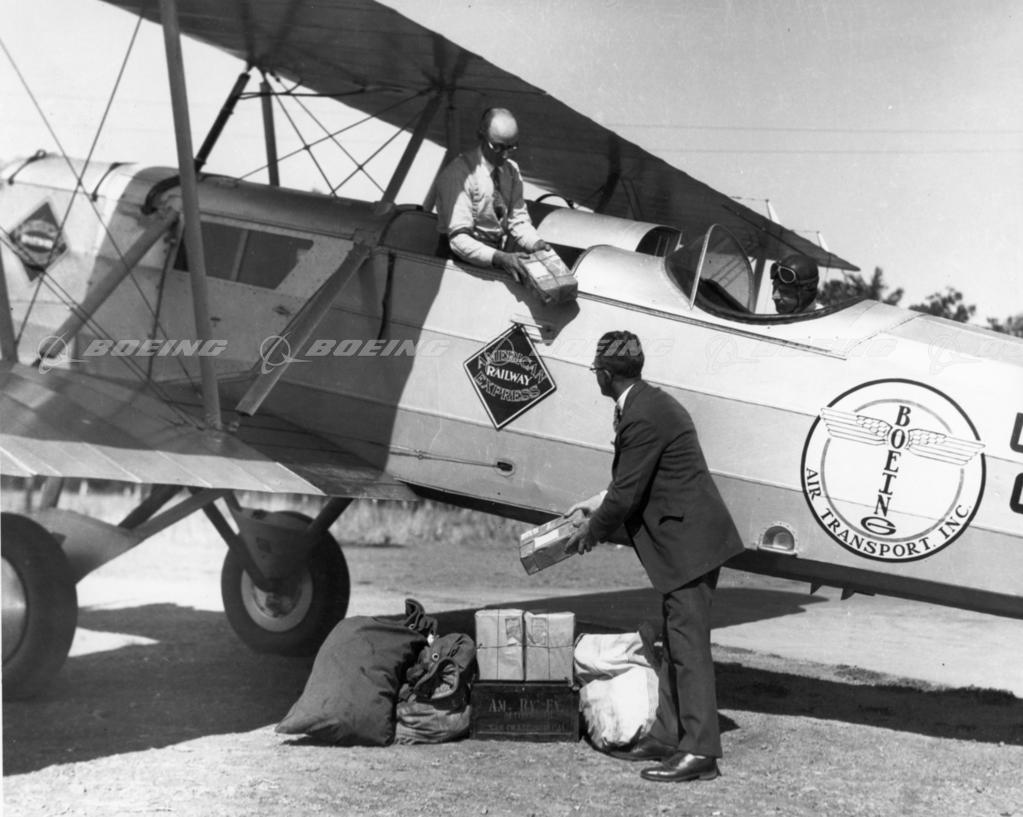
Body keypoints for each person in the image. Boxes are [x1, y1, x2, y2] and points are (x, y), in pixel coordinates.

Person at [565, 330, 744, 784]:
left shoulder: (642, 415)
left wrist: (591, 532)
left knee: (688, 648)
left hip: (690, 545)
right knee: (678, 642)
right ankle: (673, 736)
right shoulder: (647, 404)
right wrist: (594, 504)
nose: (596, 377)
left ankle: (700, 752)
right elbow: (635, 477)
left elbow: (627, 493)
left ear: (606, 374)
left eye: (596, 371)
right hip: (690, 541)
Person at [434, 107, 549, 283]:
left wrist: (536, 243)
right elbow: (458, 239)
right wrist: (500, 258)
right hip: (455, 265)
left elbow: (518, 220)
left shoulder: (511, 171)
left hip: (492, 259)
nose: (505, 155)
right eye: (498, 147)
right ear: (481, 135)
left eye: (511, 147)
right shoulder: (458, 174)